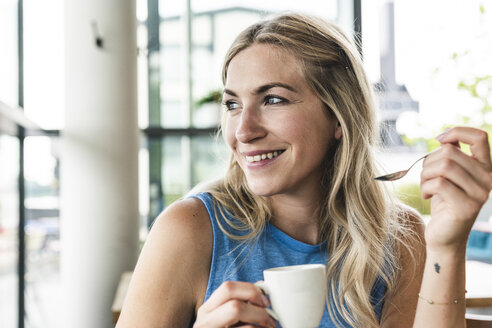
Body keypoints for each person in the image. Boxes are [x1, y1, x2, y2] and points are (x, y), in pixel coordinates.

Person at [116, 13, 492, 328]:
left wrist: (448, 245)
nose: (244, 131)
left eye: (273, 99)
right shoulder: (191, 230)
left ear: (339, 117)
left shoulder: (401, 238)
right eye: (233, 104)